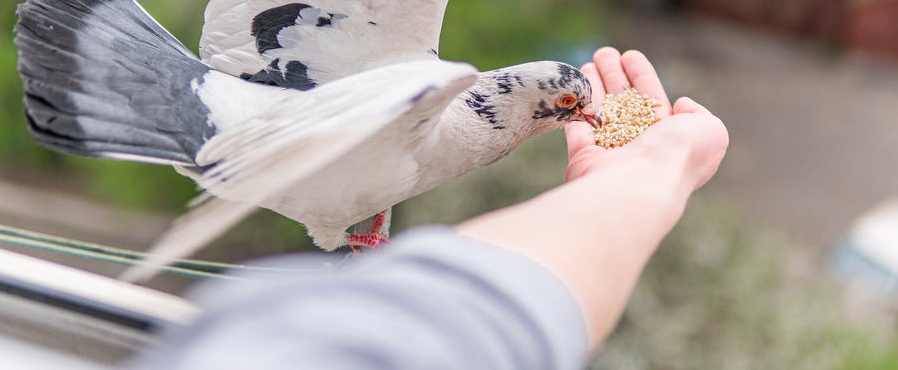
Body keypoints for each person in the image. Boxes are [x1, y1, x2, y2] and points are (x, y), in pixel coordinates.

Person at [133, 48, 729, 370]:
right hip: (244, 137)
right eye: (573, 105)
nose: (589, 115)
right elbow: (448, 327)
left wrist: (635, 174)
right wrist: (650, 172)